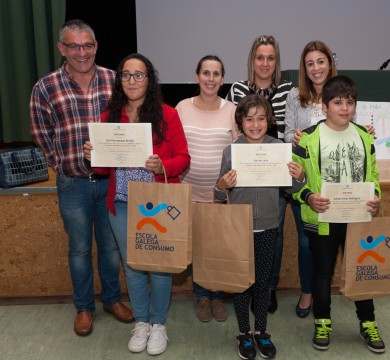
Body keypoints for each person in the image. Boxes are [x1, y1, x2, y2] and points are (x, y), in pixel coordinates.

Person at [30, 19, 133, 337]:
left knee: (111, 247)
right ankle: (84, 307)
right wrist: (60, 163)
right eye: (73, 45)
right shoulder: (45, 87)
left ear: (96, 46)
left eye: (87, 45)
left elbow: (128, 123)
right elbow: (41, 134)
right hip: (72, 182)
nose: (81, 52)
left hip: (110, 182)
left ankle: (112, 300)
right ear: (62, 48)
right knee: (78, 249)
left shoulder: (114, 80)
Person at [84, 53, 190, 355]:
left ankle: (158, 325)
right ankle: (141, 321)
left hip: (154, 203)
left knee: (158, 267)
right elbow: (103, 170)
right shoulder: (109, 116)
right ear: (120, 80)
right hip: (120, 203)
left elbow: (183, 158)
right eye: (126, 75)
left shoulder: (167, 115)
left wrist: (161, 166)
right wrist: (94, 156)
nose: (132, 80)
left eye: (139, 74)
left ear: (150, 79)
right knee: (132, 266)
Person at [292, 75, 386, 354]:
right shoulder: (307, 138)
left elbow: (374, 175)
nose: (344, 108)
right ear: (324, 105)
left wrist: (376, 196)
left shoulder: (365, 136)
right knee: (322, 273)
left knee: (362, 269)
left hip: (358, 218)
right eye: (337, 102)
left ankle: (368, 322)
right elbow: (294, 181)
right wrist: (308, 196)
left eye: (349, 102)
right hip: (323, 220)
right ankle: (322, 322)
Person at [215, 94, 305, 360]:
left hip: (268, 227)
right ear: (240, 122)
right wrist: (222, 186)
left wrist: (301, 177)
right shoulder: (231, 151)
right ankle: (244, 333)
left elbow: (291, 188)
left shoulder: (278, 147)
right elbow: (220, 194)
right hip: (239, 229)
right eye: (249, 119)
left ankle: (261, 332)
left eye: (261, 118)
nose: (255, 124)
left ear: (269, 120)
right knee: (242, 285)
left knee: (263, 285)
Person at [227, 34, 308, 316]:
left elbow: (290, 131)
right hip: (245, 179)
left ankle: (268, 287)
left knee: (272, 234)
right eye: (260, 57)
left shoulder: (289, 91)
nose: (265, 63)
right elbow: (234, 130)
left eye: (270, 58)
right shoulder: (237, 89)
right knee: (243, 235)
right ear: (252, 60)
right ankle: (244, 286)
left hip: (275, 177)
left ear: (277, 61)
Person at [176, 55, 237, 323]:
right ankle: (202, 296)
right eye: (206, 73)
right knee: (198, 248)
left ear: (222, 79)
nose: (210, 79)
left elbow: (239, 149)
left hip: (222, 194)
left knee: (218, 247)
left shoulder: (233, 110)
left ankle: (217, 295)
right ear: (197, 76)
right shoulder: (181, 108)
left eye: (216, 74)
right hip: (188, 191)